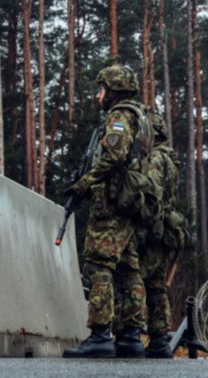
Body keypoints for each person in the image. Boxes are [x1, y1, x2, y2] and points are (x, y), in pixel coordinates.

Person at [62, 64, 149, 358]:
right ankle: (130, 337)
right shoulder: (139, 117)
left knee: (99, 266)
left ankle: (100, 335)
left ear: (113, 90)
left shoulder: (121, 116)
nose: (98, 96)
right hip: (127, 204)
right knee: (128, 270)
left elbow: (113, 155)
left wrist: (82, 185)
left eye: (101, 89)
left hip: (111, 205)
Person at [139, 113, 181, 358]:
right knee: (156, 286)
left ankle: (131, 335)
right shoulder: (171, 160)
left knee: (137, 280)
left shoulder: (155, 158)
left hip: (154, 228)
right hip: (165, 229)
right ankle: (159, 339)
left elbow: (150, 192)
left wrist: (142, 224)